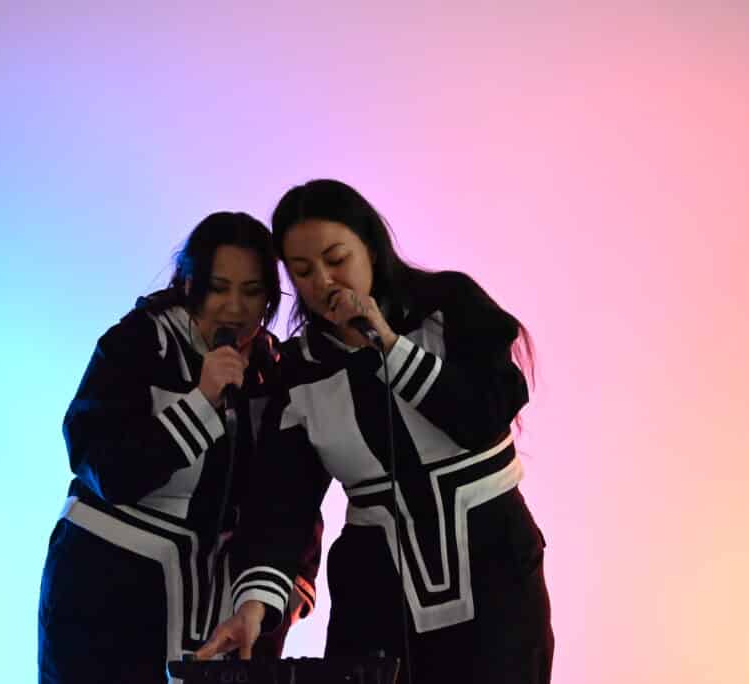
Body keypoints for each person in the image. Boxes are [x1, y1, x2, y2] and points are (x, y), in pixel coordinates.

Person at [198, 180, 554, 683]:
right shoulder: (300, 370)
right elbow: (281, 505)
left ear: (369, 243)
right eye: (302, 272)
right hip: (375, 599)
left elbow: (485, 414)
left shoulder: (449, 307)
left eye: (335, 258)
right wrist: (254, 604)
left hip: (496, 575)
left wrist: (389, 345)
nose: (323, 281)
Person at [37, 212, 322, 684]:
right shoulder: (138, 342)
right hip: (105, 600)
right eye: (218, 287)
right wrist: (201, 401)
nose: (234, 307)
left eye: (252, 292)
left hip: (218, 612)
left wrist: (271, 599)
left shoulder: (277, 374)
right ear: (189, 285)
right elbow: (102, 465)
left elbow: (290, 501)